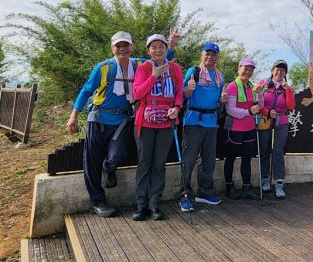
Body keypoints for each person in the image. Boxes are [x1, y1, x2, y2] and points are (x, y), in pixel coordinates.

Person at [67, 30, 178, 218]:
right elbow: (86, 90)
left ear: (132, 47)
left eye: (125, 45)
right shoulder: (103, 68)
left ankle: (109, 167)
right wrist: (74, 115)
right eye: (118, 46)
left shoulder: (140, 65)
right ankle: (98, 201)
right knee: (92, 162)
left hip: (122, 120)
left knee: (118, 154)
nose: (122, 49)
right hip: (99, 118)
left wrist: (172, 46)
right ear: (112, 48)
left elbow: (160, 59)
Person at [132, 34, 184, 220]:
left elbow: (179, 93)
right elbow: (137, 93)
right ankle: (140, 205)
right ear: (148, 51)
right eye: (153, 47)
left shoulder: (175, 68)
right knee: (144, 163)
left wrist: (176, 108)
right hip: (145, 123)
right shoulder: (143, 69)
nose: (158, 50)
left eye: (161, 46)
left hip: (167, 123)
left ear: (165, 48)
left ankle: (155, 204)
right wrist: (154, 76)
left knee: (159, 164)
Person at [178, 42, 228, 212]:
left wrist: (222, 100)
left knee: (208, 160)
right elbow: (183, 95)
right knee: (189, 159)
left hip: (211, 122)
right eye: (207, 53)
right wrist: (189, 90)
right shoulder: (194, 71)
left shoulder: (220, 76)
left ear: (217, 57)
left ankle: (204, 192)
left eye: (214, 54)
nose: (210, 57)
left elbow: (220, 99)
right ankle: (185, 195)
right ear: (202, 55)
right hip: (193, 121)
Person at [223, 57, 265, 200]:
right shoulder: (232, 86)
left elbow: (260, 105)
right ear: (239, 68)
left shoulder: (252, 86)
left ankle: (247, 187)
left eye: (251, 69)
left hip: (249, 128)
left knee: (247, 159)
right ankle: (229, 186)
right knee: (231, 158)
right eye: (245, 68)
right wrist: (248, 112)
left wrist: (259, 93)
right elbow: (230, 109)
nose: (247, 71)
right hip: (235, 128)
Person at [257, 60, 296, 199]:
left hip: (282, 123)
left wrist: (288, 90)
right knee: (264, 150)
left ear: (285, 73)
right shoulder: (263, 84)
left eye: (283, 70)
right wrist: (267, 112)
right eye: (277, 69)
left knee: (278, 152)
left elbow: (291, 107)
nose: (279, 72)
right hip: (265, 121)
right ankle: (265, 179)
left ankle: (279, 182)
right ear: (272, 70)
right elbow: (258, 101)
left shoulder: (287, 88)